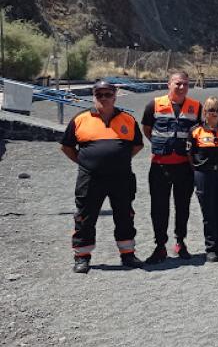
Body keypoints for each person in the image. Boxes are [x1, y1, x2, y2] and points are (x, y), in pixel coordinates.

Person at [60, 80, 145, 273]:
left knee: (125, 215)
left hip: (121, 177)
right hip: (90, 178)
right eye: (100, 95)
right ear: (94, 96)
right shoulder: (80, 119)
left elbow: (137, 145)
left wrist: (119, 160)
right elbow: (67, 147)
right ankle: (82, 256)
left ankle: (128, 254)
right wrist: (85, 163)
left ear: (115, 96)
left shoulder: (128, 119)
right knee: (84, 217)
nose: (104, 98)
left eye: (108, 94)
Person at [142, 71, 201, 264]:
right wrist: (161, 145)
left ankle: (180, 242)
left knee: (182, 206)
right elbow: (147, 130)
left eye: (185, 84)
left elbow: (199, 133)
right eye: (178, 84)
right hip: (160, 166)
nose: (182, 87)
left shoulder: (196, 107)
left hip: (184, 166)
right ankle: (160, 246)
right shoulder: (154, 104)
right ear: (169, 84)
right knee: (159, 207)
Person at [188, 97, 218, 262]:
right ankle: (211, 248)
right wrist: (197, 171)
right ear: (204, 113)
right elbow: (189, 155)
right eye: (211, 110)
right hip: (204, 175)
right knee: (208, 213)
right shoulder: (195, 131)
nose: (214, 114)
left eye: (217, 110)